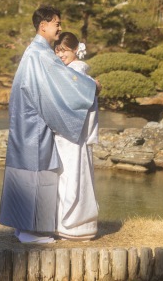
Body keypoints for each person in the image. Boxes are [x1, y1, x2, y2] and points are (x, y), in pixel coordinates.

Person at [0, 6, 98, 244]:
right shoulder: (41, 54)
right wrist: (91, 86)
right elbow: (63, 82)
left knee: (25, 174)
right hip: (35, 123)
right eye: (57, 23)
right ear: (43, 26)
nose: (60, 28)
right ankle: (31, 232)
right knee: (36, 175)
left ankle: (23, 229)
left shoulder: (33, 51)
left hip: (25, 120)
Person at [53, 32, 100, 241]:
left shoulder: (74, 74)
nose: (60, 54)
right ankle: (81, 225)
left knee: (68, 176)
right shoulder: (84, 77)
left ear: (75, 50)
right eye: (57, 51)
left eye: (64, 50)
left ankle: (69, 225)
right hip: (77, 133)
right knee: (78, 176)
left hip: (70, 133)